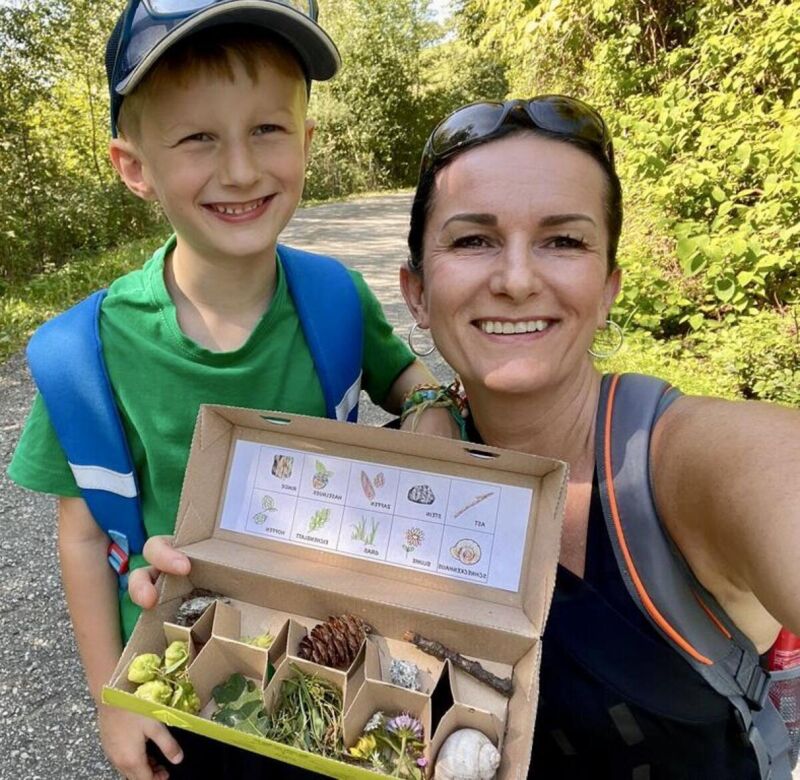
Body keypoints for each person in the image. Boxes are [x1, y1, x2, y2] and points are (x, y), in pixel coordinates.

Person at [137, 95, 800, 778]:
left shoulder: (694, 461)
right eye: (473, 240)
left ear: (608, 289)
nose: (516, 280)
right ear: (417, 294)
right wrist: (202, 590)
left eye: (563, 241)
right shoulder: (390, 480)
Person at [6, 2, 456, 778]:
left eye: (267, 129)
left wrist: (431, 408)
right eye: (198, 138)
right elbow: (80, 536)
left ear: (305, 143)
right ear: (135, 168)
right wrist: (113, 698)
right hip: (188, 681)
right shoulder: (89, 355)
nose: (242, 169)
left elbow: (405, 379)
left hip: (333, 655)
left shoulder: (334, 299)